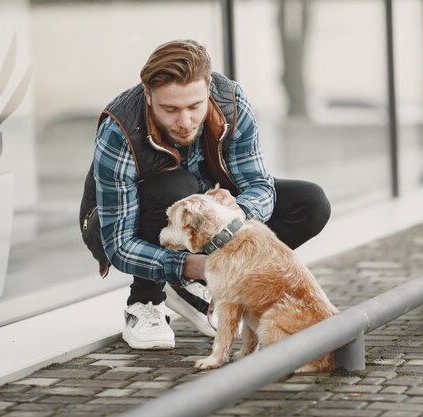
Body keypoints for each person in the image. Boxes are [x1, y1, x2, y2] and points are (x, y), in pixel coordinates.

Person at [80, 39, 330, 350]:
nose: (184, 122)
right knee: (178, 189)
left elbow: (260, 185)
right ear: (148, 94)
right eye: (170, 109)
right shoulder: (119, 129)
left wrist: (238, 211)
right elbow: (118, 244)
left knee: (310, 203)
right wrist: (188, 264)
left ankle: (198, 286)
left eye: (194, 107)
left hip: (205, 217)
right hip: (113, 224)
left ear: (208, 87)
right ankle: (145, 301)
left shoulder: (231, 102)